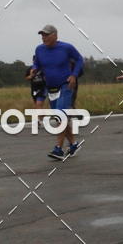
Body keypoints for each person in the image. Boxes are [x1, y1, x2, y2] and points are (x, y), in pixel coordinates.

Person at [31, 24, 84, 159]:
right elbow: (37, 63)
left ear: (55, 35)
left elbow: (79, 60)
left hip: (66, 85)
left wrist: (74, 75)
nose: (44, 38)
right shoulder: (39, 49)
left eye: (46, 35)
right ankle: (73, 144)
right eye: (42, 35)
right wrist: (34, 69)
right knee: (60, 118)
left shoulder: (66, 48)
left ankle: (58, 149)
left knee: (60, 115)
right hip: (51, 87)